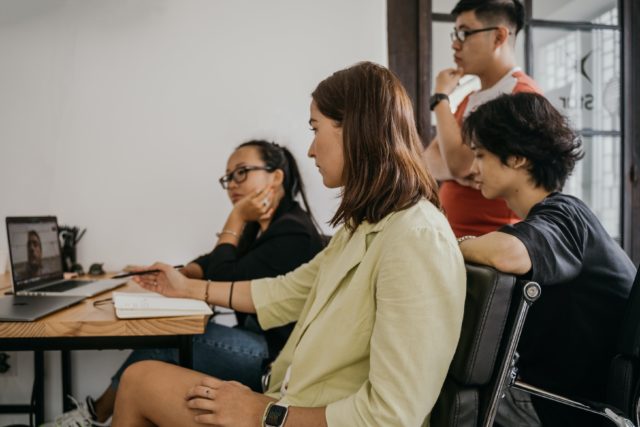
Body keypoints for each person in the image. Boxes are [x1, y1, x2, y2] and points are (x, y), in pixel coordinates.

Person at [111, 62, 466, 427]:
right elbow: (282, 293)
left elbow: (393, 416)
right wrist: (185, 287)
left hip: (292, 414)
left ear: (356, 129)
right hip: (289, 400)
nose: (311, 150)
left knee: (140, 380)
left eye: (315, 129)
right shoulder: (360, 229)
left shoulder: (416, 238)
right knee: (140, 377)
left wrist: (264, 413)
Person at [50, 140, 325, 426]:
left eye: (241, 172)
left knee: (164, 343)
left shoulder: (292, 232)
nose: (232, 184)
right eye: (228, 177)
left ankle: (95, 415)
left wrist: (237, 216)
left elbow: (223, 275)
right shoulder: (260, 229)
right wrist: (177, 273)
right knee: (164, 342)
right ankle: (100, 413)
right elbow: (211, 262)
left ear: (276, 176)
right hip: (256, 340)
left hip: (273, 358)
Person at [457, 92, 636, 426]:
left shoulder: (566, 215)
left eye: (480, 155)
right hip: (557, 396)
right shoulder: (550, 219)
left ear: (518, 158)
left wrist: (451, 245)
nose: (472, 169)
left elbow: (508, 254)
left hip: (569, 407)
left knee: (443, 396)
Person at [423, 0, 540, 237]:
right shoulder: (471, 98)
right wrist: (460, 169)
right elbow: (429, 160)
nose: (455, 44)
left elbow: (457, 163)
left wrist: (440, 98)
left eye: (465, 33)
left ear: (499, 37)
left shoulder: (522, 97)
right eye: (455, 34)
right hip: (454, 238)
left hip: (491, 244)